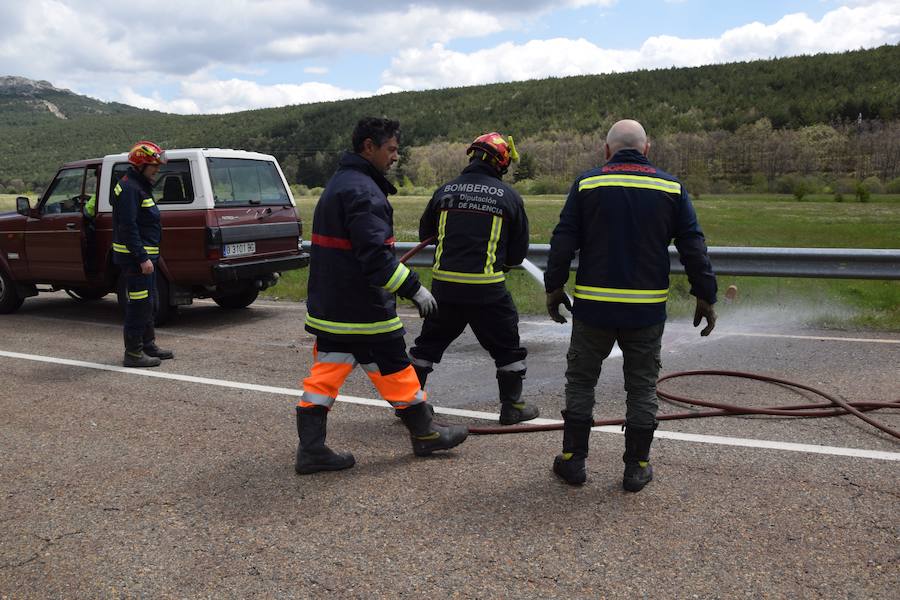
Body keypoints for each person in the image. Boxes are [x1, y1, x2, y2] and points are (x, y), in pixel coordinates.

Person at [544, 119, 717, 492]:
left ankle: (573, 461)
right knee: (641, 387)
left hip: (593, 309)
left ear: (607, 150)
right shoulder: (671, 187)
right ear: (647, 149)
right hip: (645, 311)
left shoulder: (587, 184)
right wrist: (705, 295)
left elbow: (563, 240)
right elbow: (693, 246)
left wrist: (554, 287)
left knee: (581, 381)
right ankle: (636, 468)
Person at [296, 117, 468, 475]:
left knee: (324, 379)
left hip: (332, 308)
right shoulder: (364, 192)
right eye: (390, 149)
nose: (395, 156)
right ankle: (425, 434)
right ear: (368, 147)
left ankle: (311, 450)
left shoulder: (341, 183)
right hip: (363, 310)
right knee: (395, 368)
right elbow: (376, 259)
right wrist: (415, 289)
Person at [408, 132, 539, 425]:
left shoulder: (445, 191)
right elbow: (517, 256)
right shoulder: (509, 197)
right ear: (502, 162)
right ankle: (512, 407)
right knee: (507, 348)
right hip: (487, 292)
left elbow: (425, 234)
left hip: (444, 290)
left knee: (427, 347)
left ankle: (410, 406)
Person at [111, 141, 174, 368]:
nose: (157, 170)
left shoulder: (139, 185)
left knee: (150, 303)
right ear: (140, 165)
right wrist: (141, 257)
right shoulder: (129, 189)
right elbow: (128, 227)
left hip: (146, 258)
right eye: (153, 166)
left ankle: (148, 345)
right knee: (139, 305)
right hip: (135, 260)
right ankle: (133, 353)